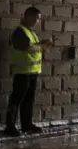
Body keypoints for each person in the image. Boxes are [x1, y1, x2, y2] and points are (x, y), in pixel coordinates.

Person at [5, 7, 54, 137]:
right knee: (17, 99)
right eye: (36, 18)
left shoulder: (30, 32)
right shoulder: (19, 31)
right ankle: (10, 127)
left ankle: (27, 125)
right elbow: (27, 47)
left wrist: (42, 43)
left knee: (28, 100)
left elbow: (33, 46)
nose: (37, 21)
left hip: (32, 72)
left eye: (38, 19)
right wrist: (42, 46)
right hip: (22, 72)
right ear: (27, 16)